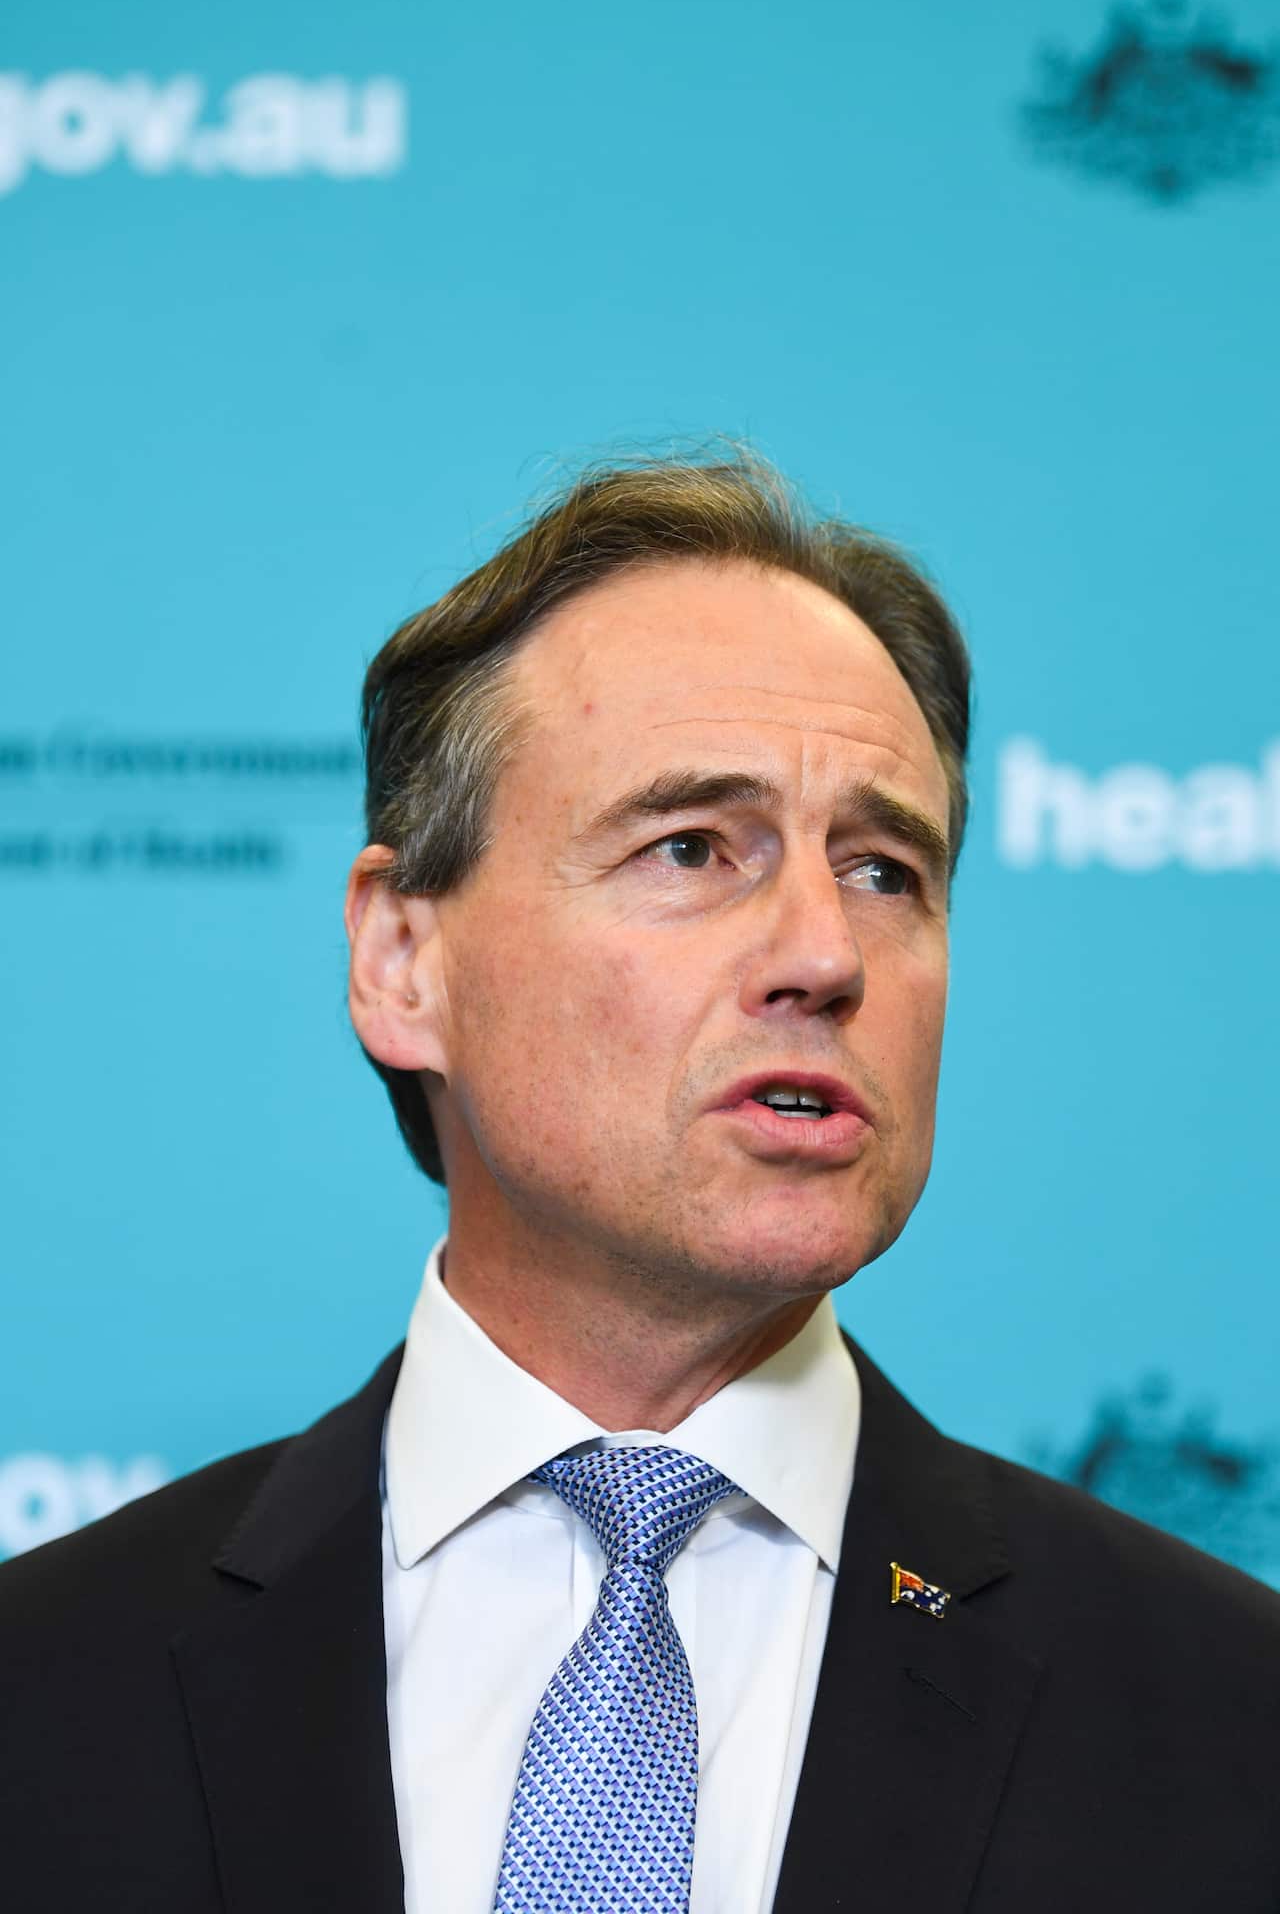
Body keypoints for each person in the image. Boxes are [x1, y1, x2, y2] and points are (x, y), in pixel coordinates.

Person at [2, 451, 1278, 1914]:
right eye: (693, 846)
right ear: (403, 963)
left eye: (883, 872)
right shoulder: (43, 1693)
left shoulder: (1230, 1723)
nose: (825, 955)